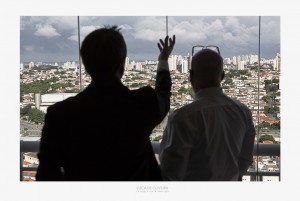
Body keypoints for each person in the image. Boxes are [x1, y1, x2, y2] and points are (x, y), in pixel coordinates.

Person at [36, 25, 175, 181]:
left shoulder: (60, 114)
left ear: (86, 66)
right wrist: (163, 60)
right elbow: (163, 94)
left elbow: (47, 174)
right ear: (122, 65)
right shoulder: (143, 103)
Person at [159, 48, 255, 181]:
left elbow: (170, 172)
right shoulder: (243, 112)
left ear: (191, 75)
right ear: (222, 76)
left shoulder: (182, 117)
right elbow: (245, 159)